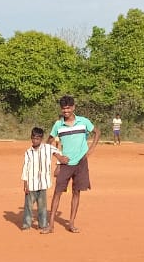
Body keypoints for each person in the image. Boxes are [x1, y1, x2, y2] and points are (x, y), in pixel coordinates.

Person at [47, 95, 99, 234]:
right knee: (57, 193)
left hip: (81, 163)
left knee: (76, 192)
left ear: (74, 107)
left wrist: (91, 149)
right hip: (66, 163)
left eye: (68, 108)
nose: (66, 111)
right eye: (64, 108)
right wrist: (58, 157)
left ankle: (71, 223)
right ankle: (51, 225)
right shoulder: (58, 125)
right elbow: (48, 143)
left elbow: (97, 132)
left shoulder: (83, 122)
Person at [21, 127, 67, 232]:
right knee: (28, 206)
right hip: (31, 184)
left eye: (37, 138)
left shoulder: (48, 148)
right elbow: (25, 168)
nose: (35, 140)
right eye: (33, 138)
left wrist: (59, 165)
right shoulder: (28, 152)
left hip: (43, 184)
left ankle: (42, 224)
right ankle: (26, 225)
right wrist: (25, 184)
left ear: (41, 139)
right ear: (31, 138)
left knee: (42, 207)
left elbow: (59, 154)